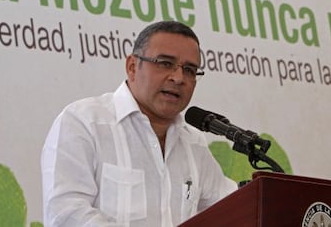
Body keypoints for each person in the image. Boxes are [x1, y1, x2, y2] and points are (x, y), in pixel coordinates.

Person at [41, 21, 237, 227]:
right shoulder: (84, 123)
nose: (179, 78)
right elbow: (65, 215)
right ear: (132, 67)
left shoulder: (194, 143)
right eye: (165, 63)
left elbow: (232, 208)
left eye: (189, 69)